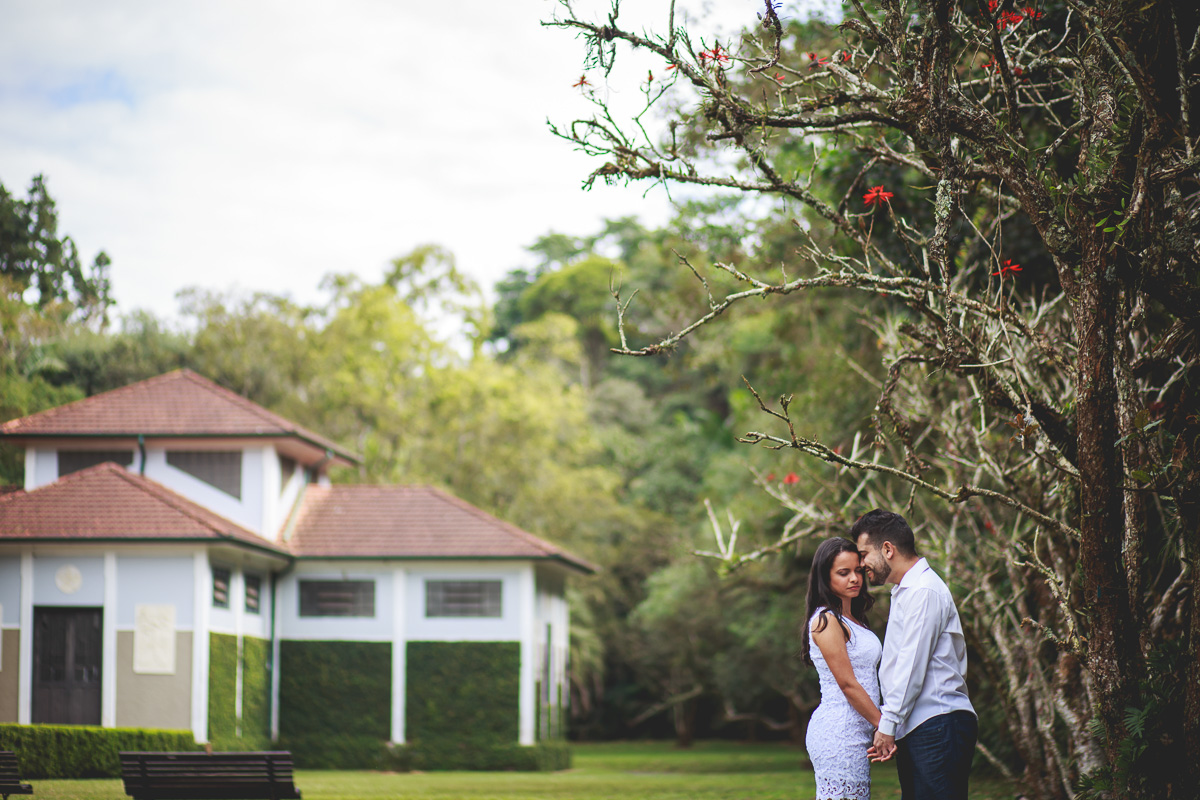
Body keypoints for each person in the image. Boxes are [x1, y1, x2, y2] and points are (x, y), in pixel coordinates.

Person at [851, 508, 977, 800]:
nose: (861, 565)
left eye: (863, 554)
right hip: (923, 724)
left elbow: (911, 667)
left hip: (938, 722)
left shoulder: (923, 591)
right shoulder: (907, 590)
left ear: (887, 549)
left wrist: (888, 724)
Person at [802, 537, 882, 800]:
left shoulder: (854, 619)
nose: (854, 578)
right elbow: (847, 684)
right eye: (843, 573)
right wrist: (884, 726)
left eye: (858, 570)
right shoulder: (826, 620)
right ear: (826, 578)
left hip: (858, 732)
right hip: (839, 733)